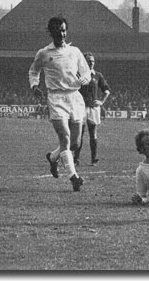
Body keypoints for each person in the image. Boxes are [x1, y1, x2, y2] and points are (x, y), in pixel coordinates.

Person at [28, 16, 91, 192]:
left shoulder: (75, 52)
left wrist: (84, 79)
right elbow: (34, 71)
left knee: (75, 143)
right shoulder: (44, 53)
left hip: (75, 97)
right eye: (58, 31)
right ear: (51, 32)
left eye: (64, 30)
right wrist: (34, 86)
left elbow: (86, 73)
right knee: (65, 137)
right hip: (56, 98)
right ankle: (74, 177)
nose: (61, 34)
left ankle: (54, 157)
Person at [74, 52, 111, 166]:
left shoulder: (97, 75)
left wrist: (101, 102)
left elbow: (107, 90)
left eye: (93, 61)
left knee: (93, 134)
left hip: (93, 108)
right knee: (79, 134)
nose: (91, 63)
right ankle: (76, 159)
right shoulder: (78, 74)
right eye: (89, 61)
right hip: (80, 107)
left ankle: (94, 159)